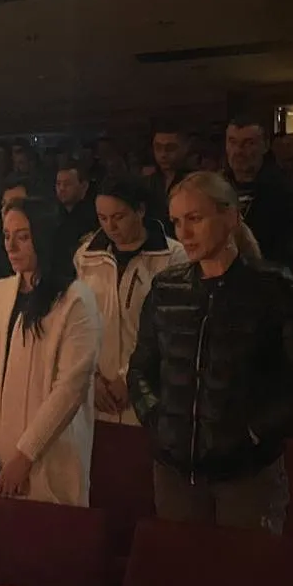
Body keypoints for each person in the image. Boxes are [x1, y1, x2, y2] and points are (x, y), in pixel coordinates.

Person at [128, 172, 293, 534]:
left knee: (244, 567)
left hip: (246, 475)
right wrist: (160, 422)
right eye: (176, 221)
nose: (184, 233)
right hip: (175, 472)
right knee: (181, 564)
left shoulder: (276, 289)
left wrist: (253, 432)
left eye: (195, 218)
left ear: (231, 217)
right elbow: (141, 369)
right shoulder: (166, 288)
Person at [0, 197, 101, 506]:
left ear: (43, 236)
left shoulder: (75, 300)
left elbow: (70, 389)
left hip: (47, 461)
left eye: (23, 237)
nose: (11, 246)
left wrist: (25, 455)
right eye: (7, 236)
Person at [74, 177, 187, 424]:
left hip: (149, 392)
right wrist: (90, 376)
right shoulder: (86, 257)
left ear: (140, 210)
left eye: (119, 217)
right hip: (98, 395)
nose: (110, 227)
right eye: (102, 218)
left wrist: (130, 378)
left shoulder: (173, 257)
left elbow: (173, 329)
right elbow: (78, 324)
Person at [223, 117, 293, 269]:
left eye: (248, 143)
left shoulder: (284, 193)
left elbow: (284, 258)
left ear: (265, 146)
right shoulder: (215, 188)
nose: (238, 151)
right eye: (233, 142)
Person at [145, 123, 190, 234]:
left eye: (170, 148)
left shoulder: (194, 181)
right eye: (158, 148)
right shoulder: (147, 182)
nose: (163, 154)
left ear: (185, 147)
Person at [54, 160, 97, 252]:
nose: (61, 188)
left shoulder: (93, 217)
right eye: (58, 184)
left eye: (67, 184)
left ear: (84, 186)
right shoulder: (55, 216)